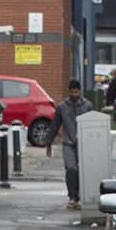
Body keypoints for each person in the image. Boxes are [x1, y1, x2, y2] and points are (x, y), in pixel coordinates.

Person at [45, 78, 92, 210]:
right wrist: (49, 142)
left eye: (76, 92)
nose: (74, 95)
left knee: (82, 171)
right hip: (68, 143)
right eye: (72, 92)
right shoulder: (62, 107)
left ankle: (80, 196)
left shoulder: (87, 106)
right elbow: (55, 125)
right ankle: (72, 197)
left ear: (80, 92)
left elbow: (91, 124)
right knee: (71, 169)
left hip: (83, 143)